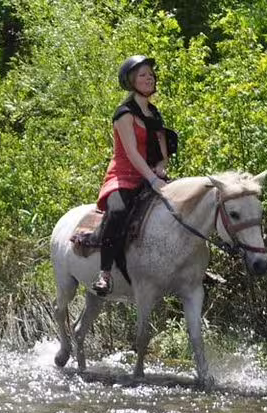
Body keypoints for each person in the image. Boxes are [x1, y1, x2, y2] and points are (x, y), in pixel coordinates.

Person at [91, 55, 170, 295]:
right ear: (131, 81)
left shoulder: (155, 114)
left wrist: (161, 167)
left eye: (150, 74)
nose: (149, 78)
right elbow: (132, 154)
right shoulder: (124, 113)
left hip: (151, 176)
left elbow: (163, 152)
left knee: (184, 206)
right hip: (124, 176)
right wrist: (153, 179)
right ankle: (104, 273)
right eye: (142, 75)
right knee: (117, 212)